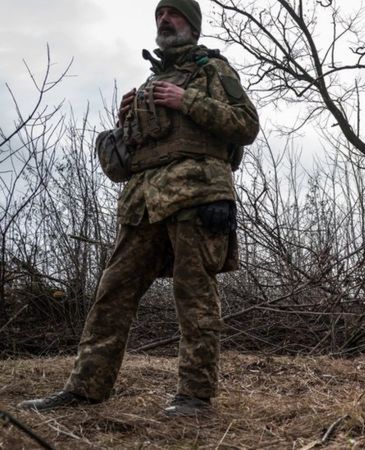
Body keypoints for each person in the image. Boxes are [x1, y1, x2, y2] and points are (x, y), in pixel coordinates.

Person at [18, 0, 259, 417]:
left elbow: (246, 125)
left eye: (175, 13)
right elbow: (118, 167)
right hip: (142, 204)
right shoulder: (148, 87)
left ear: (193, 25)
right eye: (159, 15)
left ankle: (194, 397)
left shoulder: (213, 71)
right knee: (111, 293)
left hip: (195, 198)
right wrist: (123, 123)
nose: (165, 20)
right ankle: (85, 390)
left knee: (194, 298)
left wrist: (186, 101)